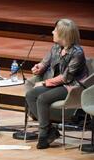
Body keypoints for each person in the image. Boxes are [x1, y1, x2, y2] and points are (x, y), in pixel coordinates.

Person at [25, 18, 88, 149]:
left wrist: (43, 83)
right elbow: (45, 62)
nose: (53, 32)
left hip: (72, 87)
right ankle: (49, 130)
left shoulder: (77, 53)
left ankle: (43, 135)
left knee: (42, 98)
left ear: (63, 34)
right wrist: (39, 67)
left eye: (55, 30)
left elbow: (66, 78)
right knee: (31, 95)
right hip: (58, 84)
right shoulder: (55, 48)